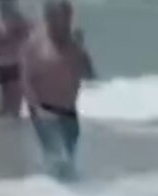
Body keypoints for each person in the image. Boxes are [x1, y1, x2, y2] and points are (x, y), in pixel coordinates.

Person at [21, 0, 95, 180]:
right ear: (49, 18)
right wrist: (36, 109)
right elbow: (26, 80)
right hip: (45, 112)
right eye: (62, 18)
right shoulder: (36, 44)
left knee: (68, 163)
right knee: (58, 159)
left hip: (69, 114)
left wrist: (81, 51)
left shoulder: (74, 45)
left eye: (69, 17)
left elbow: (90, 75)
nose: (67, 22)